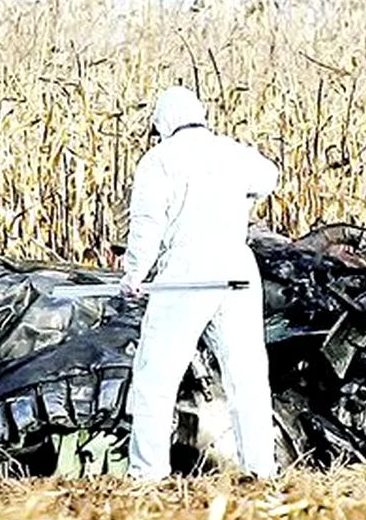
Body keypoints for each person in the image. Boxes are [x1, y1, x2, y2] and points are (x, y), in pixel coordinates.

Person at [120, 85, 280, 482]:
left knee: (157, 375)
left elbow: (147, 225)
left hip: (186, 273)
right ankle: (261, 470)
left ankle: (148, 474)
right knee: (247, 375)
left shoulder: (157, 161)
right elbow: (269, 177)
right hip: (238, 270)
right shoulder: (233, 152)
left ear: (163, 123)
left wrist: (135, 275)